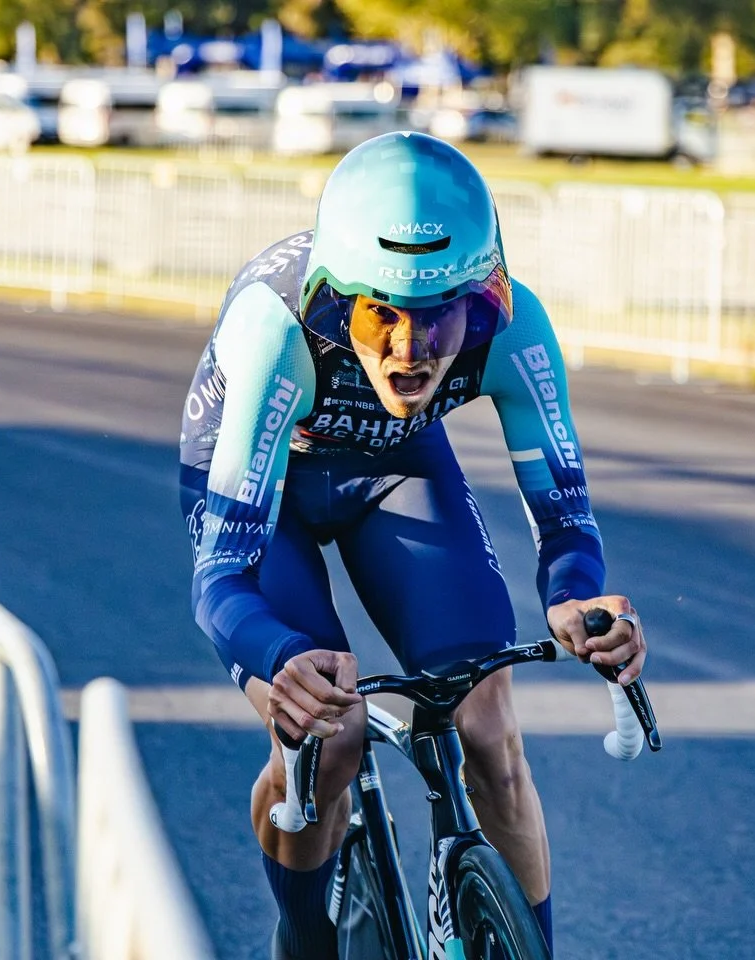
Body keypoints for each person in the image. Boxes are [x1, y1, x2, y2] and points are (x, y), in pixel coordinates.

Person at [178, 131, 648, 959]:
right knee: (330, 734)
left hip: (398, 469)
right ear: (332, 298)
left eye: (439, 316)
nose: (410, 349)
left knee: (491, 728)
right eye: (380, 314)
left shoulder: (517, 331)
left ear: (487, 296)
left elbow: (566, 518)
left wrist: (577, 597)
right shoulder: (274, 332)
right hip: (266, 484)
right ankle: (304, 940)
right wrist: (281, 654)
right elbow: (222, 578)